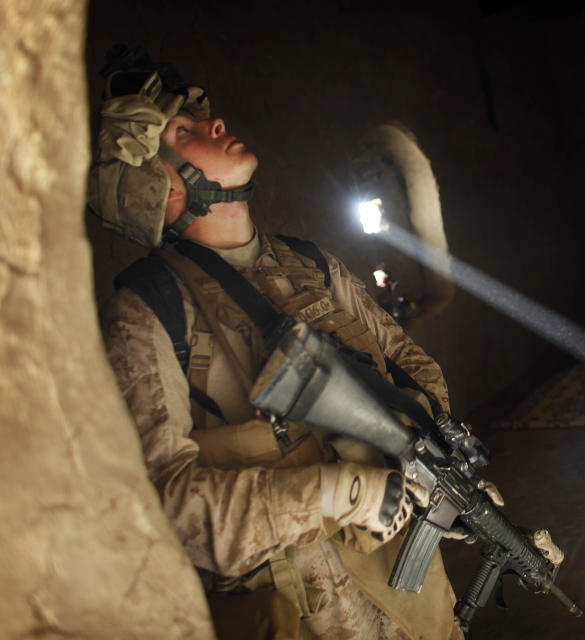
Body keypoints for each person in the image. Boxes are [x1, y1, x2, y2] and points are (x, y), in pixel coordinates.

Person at [88, 46, 465, 640]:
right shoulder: (148, 305)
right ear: (157, 187)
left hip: (410, 597)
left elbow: (410, 364)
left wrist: (438, 462)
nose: (216, 125)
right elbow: (168, 504)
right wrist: (337, 490)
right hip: (310, 607)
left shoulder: (308, 262)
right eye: (183, 133)